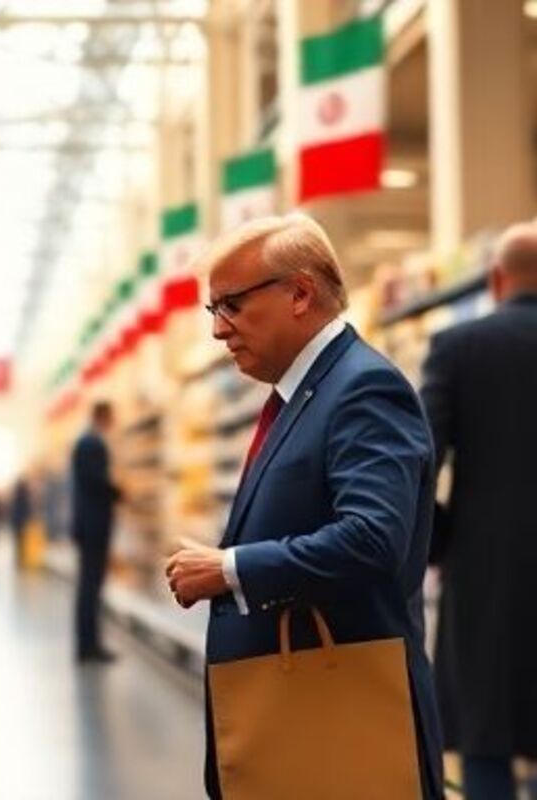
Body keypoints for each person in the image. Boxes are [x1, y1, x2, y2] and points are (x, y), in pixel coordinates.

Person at [165, 214, 443, 798]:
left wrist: (231, 568)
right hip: (303, 716)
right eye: (213, 310)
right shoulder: (304, 394)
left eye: (231, 305)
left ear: (299, 292)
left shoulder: (363, 387)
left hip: (344, 721)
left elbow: (372, 538)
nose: (219, 329)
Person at [420, 223, 537, 800]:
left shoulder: (460, 348)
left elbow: (418, 465)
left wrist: (444, 543)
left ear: (496, 279)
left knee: (484, 735)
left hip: (485, 572)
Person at [71, 400, 121, 663]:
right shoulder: (92, 444)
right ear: (103, 415)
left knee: (89, 586)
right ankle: (89, 647)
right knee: (91, 586)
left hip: (87, 526)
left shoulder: (85, 442)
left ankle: (88, 644)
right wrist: (119, 492)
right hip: (94, 526)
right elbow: (96, 482)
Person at [9, 475, 33, 568]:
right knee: (22, 542)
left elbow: (13, 510)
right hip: (22, 523)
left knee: (18, 542)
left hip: (18, 523)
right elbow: (27, 510)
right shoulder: (25, 496)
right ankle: (21, 559)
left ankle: (19, 559)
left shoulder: (17, 496)